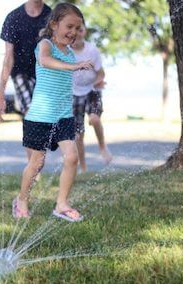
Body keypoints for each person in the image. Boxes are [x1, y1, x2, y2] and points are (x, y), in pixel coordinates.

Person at [12, 2, 93, 222]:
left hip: (64, 116)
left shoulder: (70, 52)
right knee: (37, 164)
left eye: (77, 28)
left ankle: (61, 204)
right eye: (69, 26)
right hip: (40, 117)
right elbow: (45, 61)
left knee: (72, 157)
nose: (73, 32)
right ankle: (21, 200)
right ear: (54, 24)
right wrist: (73, 67)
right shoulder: (45, 44)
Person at [0, 0, 51, 172]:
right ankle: (33, 166)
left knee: (43, 118)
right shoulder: (14, 18)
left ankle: (36, 159)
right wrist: (1, 93)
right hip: (21, 73)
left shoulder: (52, 16)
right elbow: (8, 58)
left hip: (46, 72)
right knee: (30, 112)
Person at [72, 25, 112, 173]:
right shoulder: (67, 52)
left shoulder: (91, 50)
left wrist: (98, 81)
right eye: (74, 31)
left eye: (80, 30)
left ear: (84, 32)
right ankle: (82, 166)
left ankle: (102, 147)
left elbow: (101, 73)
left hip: (92, 90)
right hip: (74, 94)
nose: (77, 34)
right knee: (78, 134)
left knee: (94, 119)